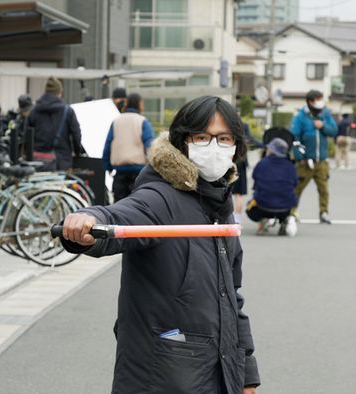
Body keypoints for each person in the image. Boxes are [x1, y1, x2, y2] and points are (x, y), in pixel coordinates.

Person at [59, 96, 260, 394]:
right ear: (183, 143)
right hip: (161, 376)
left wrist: (246, 374)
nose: (214, 147)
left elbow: (232, 295)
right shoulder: (161, 197)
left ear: (235, 148)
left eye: (224, 138)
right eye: (202, 137)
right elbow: (121, 216)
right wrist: (88, 219)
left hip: (217, 374)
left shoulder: (220, 206)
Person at [290, 89, 337, 224]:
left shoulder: (325, 114)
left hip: (321, 160)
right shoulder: (300, 117)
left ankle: (324, 212)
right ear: (310, 102)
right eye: (318, 99)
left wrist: (323, 126)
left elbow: (333, 131)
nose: (320, 102)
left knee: (324, 189)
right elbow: (294, 137)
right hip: (305, 161)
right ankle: (292, 212)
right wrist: (301, 157)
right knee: (297, 188)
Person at [102, 93, 154, 202]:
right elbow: (149, 145)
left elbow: (108, 144)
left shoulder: (116, 121)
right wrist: (153, 166)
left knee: (119, 205)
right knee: (138, 203)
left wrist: (108, 166)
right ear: (139, 104)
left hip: (120, 172)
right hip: (139, 172)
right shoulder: (142, 121)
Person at [27, 77, 84, 171]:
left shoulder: (34, 111)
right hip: (62, 163)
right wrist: (77, 153)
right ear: (59, 93)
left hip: (38, 163)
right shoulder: (68, 111)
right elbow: (76, 135)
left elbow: (27, 137)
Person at [246, 137, 298, 236]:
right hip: (286, 207)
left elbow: (255, 179)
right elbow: (295, 183)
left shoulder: (262, 163)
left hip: (263, 206)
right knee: (291, 198)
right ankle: (286, 220)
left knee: (250, 207)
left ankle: (263, 221)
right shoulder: (290, 165)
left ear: (272, 150)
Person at [232, 119, 264, 224]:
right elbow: (251, 142)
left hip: (226, 161)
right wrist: (264, 145)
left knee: (224, 193)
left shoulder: (225, 125)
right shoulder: (243, 125)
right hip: (240, 163)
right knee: (238, 194)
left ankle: (226, 219)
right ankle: (237, 219)